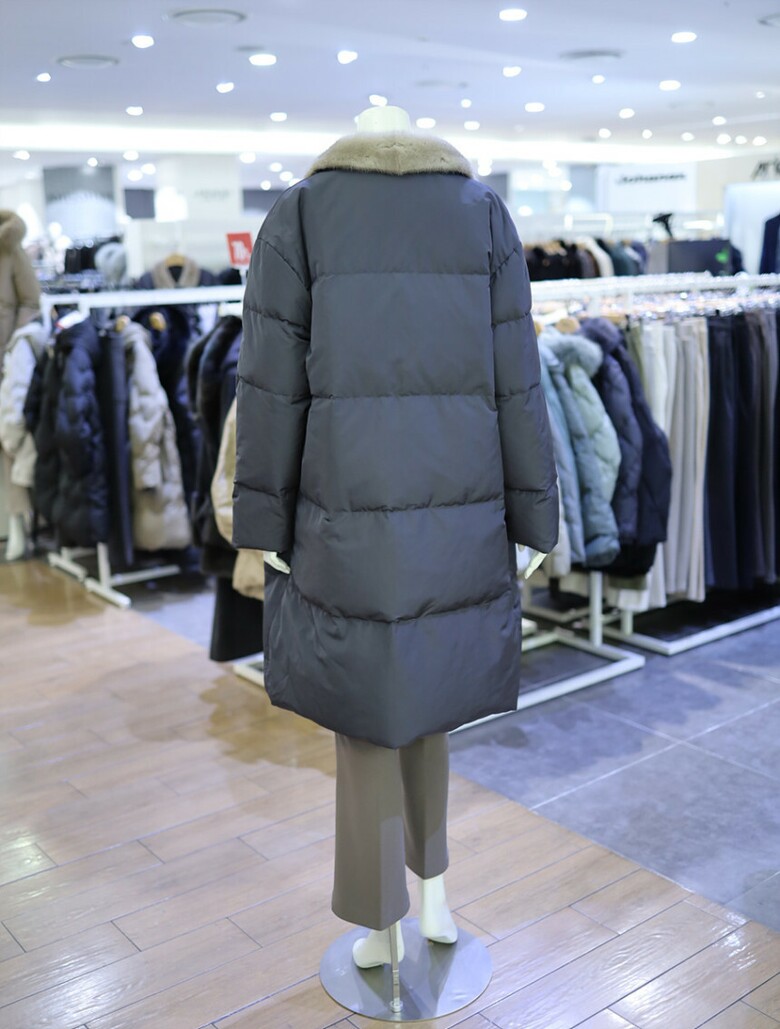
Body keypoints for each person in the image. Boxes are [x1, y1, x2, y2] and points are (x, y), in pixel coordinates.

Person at [233, 106, 558, 967]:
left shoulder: (301, 212)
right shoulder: (482, 212)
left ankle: (379, 916)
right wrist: (535, 517)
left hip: (345, 510)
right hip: (461, 509)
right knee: (427, 704)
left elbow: (268, 385)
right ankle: (435, 891)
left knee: (368, 718)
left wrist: (262, 523)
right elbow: (518, 376)